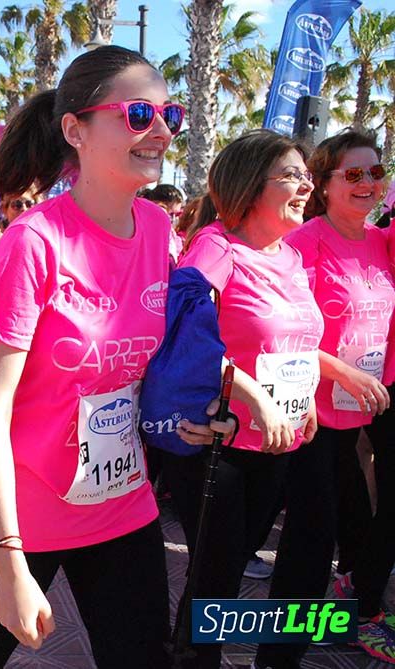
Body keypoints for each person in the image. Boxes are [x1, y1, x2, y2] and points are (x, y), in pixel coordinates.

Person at [0, 46, 204, 669]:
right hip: (15, 520)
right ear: (75, 129)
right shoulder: (34, 243)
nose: (161, 130)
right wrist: (8, 561)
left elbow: (153, 359)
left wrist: (216, 397)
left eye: (171, 114)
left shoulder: (159, 230)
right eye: (139, 113)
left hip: (122, 504)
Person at [170, 129, 323, 669]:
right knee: (215, 580)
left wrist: (306, 398)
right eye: (291, 175)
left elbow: (291, 344)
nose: (306, 184)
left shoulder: (289, 254)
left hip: (278, 448)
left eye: (306, 174)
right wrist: (250, 393)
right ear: (250, 185)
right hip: (220, 445)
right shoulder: (216, 246)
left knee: (229, 574)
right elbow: (180, 333)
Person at [256, 131, 395, 667]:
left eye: (376, 172)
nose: (368, 183)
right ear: (326, 183)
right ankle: (275, 656)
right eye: (354, 174)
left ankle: (349, 613)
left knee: (344, 532)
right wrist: (339, 373)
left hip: (363, 409)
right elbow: (286, 331)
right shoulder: (305, 241)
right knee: (307, 547)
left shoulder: (380, 240)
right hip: (310, 411)